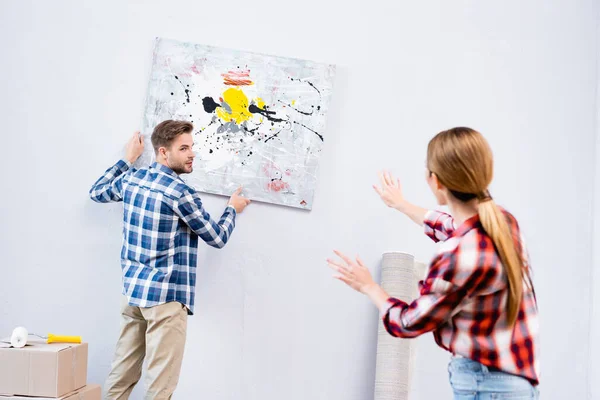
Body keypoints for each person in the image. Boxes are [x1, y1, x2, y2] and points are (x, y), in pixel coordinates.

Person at [328, 127, 540, 399]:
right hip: (518, 384)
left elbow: (408, 323)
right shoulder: (503, 222)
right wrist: (401, 204)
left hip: (485, 386)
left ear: (436, 181)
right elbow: (452, 226)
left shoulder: (457, 255)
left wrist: (369, 286)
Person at [89, 120, 251, 399]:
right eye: (184, 148)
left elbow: (97, 191)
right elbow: (217, 237)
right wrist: (231, 210)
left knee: (120, 377)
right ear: (163, 152)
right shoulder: (180, 192)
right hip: (165, 300)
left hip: (134, 293)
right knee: (159, 388)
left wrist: (127, 159)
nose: (192, 154)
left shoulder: (132, 179)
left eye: (192, 147)